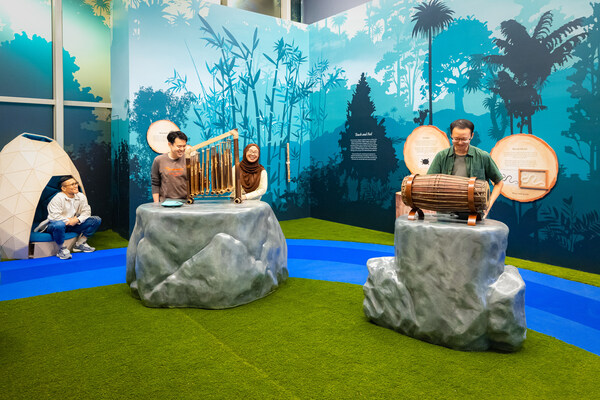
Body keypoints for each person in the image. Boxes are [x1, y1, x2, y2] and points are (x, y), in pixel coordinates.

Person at [427, 119, 504, 218]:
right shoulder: (441, 156)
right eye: (456, 139)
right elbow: (429, 182)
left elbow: (499, 182)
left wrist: (488, 205)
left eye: (464, 139)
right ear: (451, 135)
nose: (460, 143)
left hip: (474, 214)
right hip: (445, 214)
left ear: (472, 136)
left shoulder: (483, 156)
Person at [35, 175, 102, 260]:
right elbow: (54, 217)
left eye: (76, 183)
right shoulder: (57, 198)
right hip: (56, 225)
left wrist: (77, 220)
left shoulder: (81, 196)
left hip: (72, 225)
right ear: (63, 188)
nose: (76, 186)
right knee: (59, 224)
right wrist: (70, 221)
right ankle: (61, 249)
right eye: (72, 184)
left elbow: (86, 212)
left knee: (96, 220)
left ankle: (80, 244)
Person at [151, 130, 188, 203]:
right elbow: (155, 183)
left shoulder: (189, 159)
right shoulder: (158, 160)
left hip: (186, 203)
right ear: (170, 144)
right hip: (165, 203)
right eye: (179, 146)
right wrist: (156, 204)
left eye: (184, 146)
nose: (182, 149)